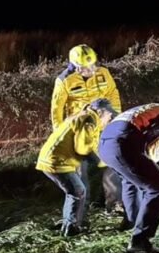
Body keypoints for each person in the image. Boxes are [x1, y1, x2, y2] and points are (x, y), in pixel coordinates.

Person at [98, 102, 159, 253]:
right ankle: (140, 241)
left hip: (106, 144)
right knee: (158, 188)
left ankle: (132, 222)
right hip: (123, 141)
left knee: (130, 182)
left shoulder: (154, 108)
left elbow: (156, 147)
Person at [50, 44, 123, 211]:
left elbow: (113, 93)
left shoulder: (103, 73)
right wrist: (60, 133)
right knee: (79, 169)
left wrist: (117, 117)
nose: (91, 70)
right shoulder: (64, 81)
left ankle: (114, 203)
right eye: (85, 67)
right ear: (75, 66)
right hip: (78, 131)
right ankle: (84, 206)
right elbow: (56, 109)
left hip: (103, 126)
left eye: (93, 65)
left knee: (112, 163)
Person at [35, 98, 117, 236]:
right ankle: (71, 228)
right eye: (109, 115)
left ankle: (69, 223)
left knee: (74, 191)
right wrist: (102, 162)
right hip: (57, 162)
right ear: (101, 112)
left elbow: (90, 143)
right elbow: (83, 149)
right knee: (78, 191)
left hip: (54, 159)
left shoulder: (88, 117)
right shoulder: (89, 121)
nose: (110, 118)